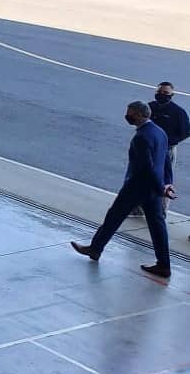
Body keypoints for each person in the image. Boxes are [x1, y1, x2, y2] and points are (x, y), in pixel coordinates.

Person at [72, 101, 177, 277]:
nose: (128, 116)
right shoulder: (160, 132)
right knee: (157, 225)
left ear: (140, 115)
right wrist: (167, 183)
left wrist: (160, 187)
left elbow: (146, 167)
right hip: (154, 188)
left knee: (114, 217)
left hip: (137, 187)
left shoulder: (141, 137)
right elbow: (165, 159)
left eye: (131, 113)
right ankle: (164, 265)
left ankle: (95, 249)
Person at [150, 82, 187, 214]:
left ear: (172, 95)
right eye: (160, 92)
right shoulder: (149, 107)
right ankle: (139, 208)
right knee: (144, 176)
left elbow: (185, 132)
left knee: (165, 179)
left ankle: (161, 210)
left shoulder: (178, 113)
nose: (162, 95)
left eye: (165, 93)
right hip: (149, 149)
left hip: (167, 150)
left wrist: (166, 142)